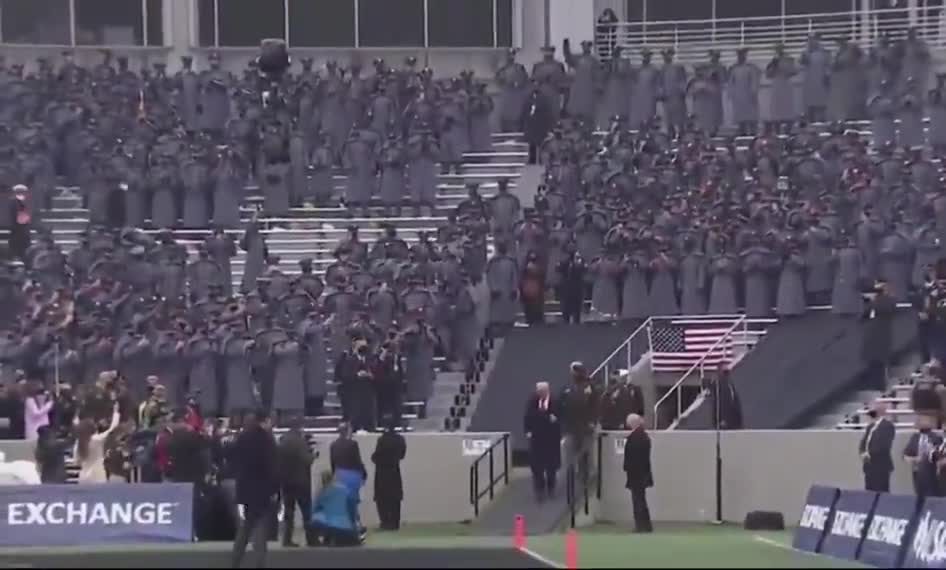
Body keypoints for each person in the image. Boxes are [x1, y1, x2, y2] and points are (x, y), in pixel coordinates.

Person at [231, 410, 280, 570]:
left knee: (245, 527)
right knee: (260, 530)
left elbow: (234, 460)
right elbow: (271, 467)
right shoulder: (266, 439)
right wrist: (274, 489)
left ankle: (235, 561)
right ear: (265, 420)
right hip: (262, 490)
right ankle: (260, 564)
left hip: (245, 490)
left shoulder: (243, 437)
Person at [277, 417, 314, 547]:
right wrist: (312, 454)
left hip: (286, 482)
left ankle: (287, 539)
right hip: (300, 481)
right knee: (307, 512)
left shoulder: (283, 440)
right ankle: (312, 539)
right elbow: (307, 460)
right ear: (300, 427)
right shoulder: (300, 441)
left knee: (289, 513)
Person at [560, 362, 599, 479]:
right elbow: (561, 406)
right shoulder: (567, 388)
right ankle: (571, 475)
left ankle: (586, 475)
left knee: (586, 453)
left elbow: (595, 405)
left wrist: (593, 421)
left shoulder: (590, 387)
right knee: (570, 453)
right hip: (571, 427)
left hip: (585, 426)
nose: (573, 374)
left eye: (575, 371)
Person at [524, 381, 561, 502]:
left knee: (551, 466)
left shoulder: (555, 402)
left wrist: (553, 420)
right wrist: (528, 431)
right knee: (536, 466)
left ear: (547, 391)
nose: (540, 394)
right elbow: (528, 416)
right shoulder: (532, 401)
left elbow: (559, 419)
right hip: (536, 438)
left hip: (551, 439)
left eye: (542, 392)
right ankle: (539, 489)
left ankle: (551, 488)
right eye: (538, 392)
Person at [310, 470, 363, 546]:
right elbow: (353, 515)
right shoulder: (345, 490)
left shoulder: (322, 493)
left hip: (330, 528)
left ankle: (318, 543)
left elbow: (314, 512)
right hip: (347, 529)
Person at [371, 416, 406, 530]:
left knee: (382, 498)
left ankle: (385, 522)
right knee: (395, 498)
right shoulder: (400, 439)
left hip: (382, 472)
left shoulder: (382, 440)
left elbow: (376, 456)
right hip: (394, 471)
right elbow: (402, 455)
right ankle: (395, 522)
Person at [863, 281, 898, 390]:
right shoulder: (871, 303)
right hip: (870, 338)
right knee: (872, 364)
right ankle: (873, 385)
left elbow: (887, 308)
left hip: (882, 338)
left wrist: (874, 300)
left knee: (880, 364)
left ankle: (881, 387)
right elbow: (864, 316)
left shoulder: (888, 302)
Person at [74, 402, 121, 483]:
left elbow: (77, 462)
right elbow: (112, 429)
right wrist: (116, 412)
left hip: (83, 477)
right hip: (97, 476)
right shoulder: (96, 440)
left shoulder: (78, 443)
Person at [623, 414, 653, 533]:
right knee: (641, 500)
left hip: (636, 474)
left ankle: (640, 525)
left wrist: (627, 467)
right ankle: (646, 525)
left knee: (638, 501)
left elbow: (632, 457)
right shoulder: (643, 436)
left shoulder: (635, 437)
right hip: (642, 473)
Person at [903, 414, 943, 498]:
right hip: (917, 473)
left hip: (931, 474)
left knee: (931, 496)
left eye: (922, 420)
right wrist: (913, 459)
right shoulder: (914, 437)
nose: (918, 422)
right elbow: (905, 454)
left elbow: (938, 456)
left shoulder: (936, 438)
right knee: (919, 495)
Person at [860, 400, 895, 492]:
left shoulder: (887, 426)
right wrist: (863, 453)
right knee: (869, 492)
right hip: (869, 466)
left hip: (881, 466)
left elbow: (884, 445)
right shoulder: (870, 427)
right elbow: (863, 443)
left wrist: (870, 453)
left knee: (881, 491)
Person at [330, 422, 368, 499]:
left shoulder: (333, 445)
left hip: (339, 474)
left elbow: (332, 463)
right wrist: (364, 473)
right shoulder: (352, 444)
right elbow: (357, 460)